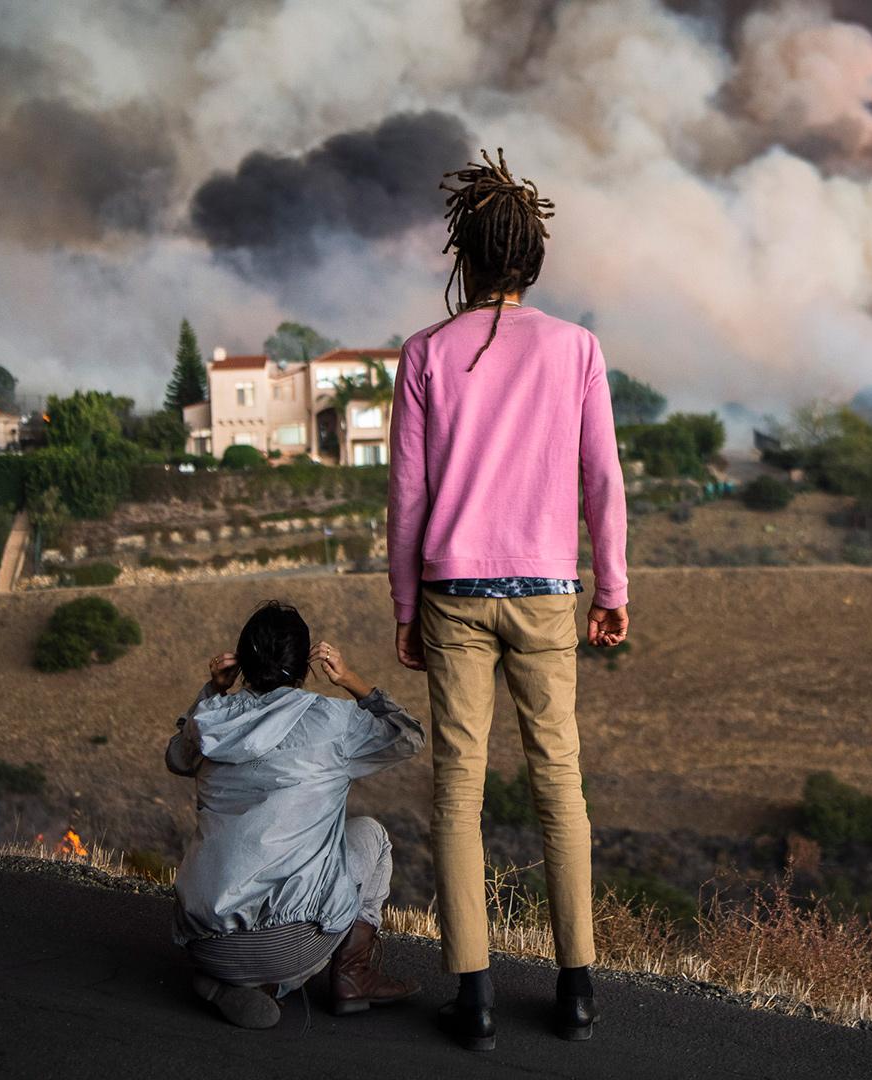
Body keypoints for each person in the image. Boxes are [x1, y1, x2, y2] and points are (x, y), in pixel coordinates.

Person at [387, 148, 630, 1052]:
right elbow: (601, 477)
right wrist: (612, 584)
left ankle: (477, 1001)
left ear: (467, 257)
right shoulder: (578, 349)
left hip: (452, 593)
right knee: (558, 782)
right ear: (531, 259)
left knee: (459, 791)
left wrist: (405, 605)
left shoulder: (424, 353)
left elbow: (407, 497)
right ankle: (575, 994)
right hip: (544, 595)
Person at [165, 601, 425, 1030]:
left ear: (241, 662)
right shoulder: (333, 721)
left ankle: (230, 983)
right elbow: (409, 738)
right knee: (372, 837)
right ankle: (346, 979)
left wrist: (213, 691)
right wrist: (351, 681)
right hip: (286, 942)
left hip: (201, 939)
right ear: (306, 662)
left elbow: (177, 757)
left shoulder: (208, 720)